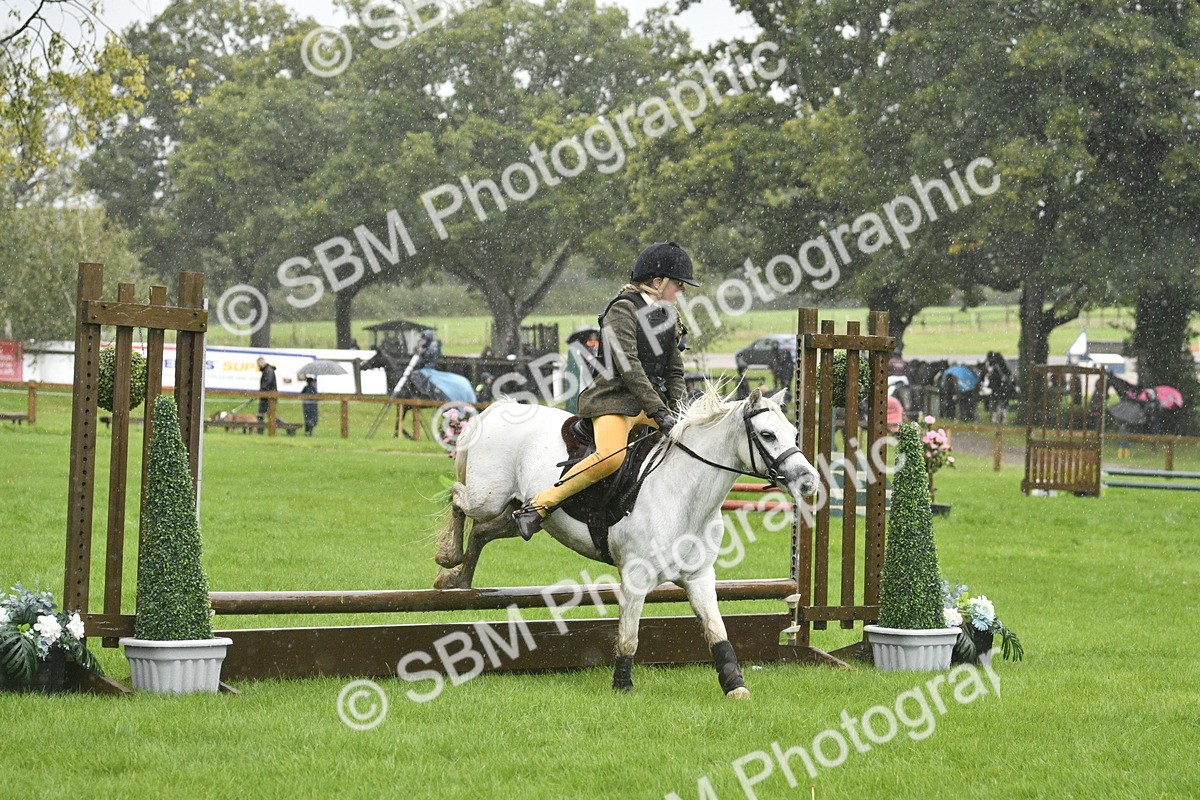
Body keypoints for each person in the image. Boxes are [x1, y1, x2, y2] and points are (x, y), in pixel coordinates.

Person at [511, 241, 699, 540]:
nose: (682, 290)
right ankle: (539, 506)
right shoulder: (622, 309)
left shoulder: (670, 316)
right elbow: (629, 367)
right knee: (610, 457)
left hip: (652, 406)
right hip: (614, 400)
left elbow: (674, 370)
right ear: (657, 282)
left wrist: (678, 409)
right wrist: (659, 411)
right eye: (678, 284)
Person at [256, 357, 277, 433]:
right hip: (267, 396)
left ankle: (260, 430)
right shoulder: (268, 370)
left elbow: (267, 383)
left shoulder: (268, 370)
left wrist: (261, 392)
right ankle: (260, 430)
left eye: (258, 364)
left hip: (268, 397)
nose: (258, 366)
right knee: (269, 414)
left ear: (261, 362)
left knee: (262, 414)